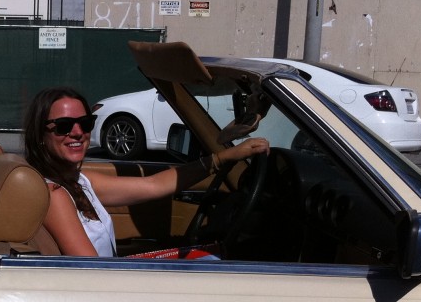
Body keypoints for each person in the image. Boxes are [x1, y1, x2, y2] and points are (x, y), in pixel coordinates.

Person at [22, 86, 270, 257]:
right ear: (41, 135)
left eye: (85, 123)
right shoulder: (54, 195)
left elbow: (155, 185)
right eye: (63, 126)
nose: (77, 132)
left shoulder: (78, 181)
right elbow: (91, 272)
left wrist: (222, 158)